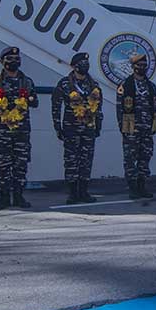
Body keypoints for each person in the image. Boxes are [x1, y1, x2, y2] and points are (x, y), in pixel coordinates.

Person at [0, 47, 38, 210]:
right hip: (2, 130)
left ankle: (19, 196)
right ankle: (4, 197)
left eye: (16, 58)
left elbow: (35, 102)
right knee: (3, 165)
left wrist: (30, 97)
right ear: (2, 62)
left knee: (21, 164)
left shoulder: (26, 81)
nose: (14, 61)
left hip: (21, 130)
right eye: (10, 58)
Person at [52, 53, 103, 204]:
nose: (85, 65)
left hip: (88, 128)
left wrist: (98, 124)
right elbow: (56, 106)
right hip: (71, 128)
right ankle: (73, 193)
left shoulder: (94, 85)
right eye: (82, 63)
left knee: (86, 160)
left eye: (87, 62)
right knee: (71, 160)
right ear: (74, 66)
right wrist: (57, 126)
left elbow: (99, 107)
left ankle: (84, 192)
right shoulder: (65, 84)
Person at [117, 53, 156, 199]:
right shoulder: (125, 85)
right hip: (131, 127)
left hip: (147, 128)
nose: (142, 68)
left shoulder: (151, 86)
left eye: (144, 65)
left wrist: (154, 124)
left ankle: (142, 186)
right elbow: (120, 108)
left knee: (145, 157)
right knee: (130, 158)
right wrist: (124, 128)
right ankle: (133, 188)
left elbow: (155, 107)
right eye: (139, 65)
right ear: (133, 67)